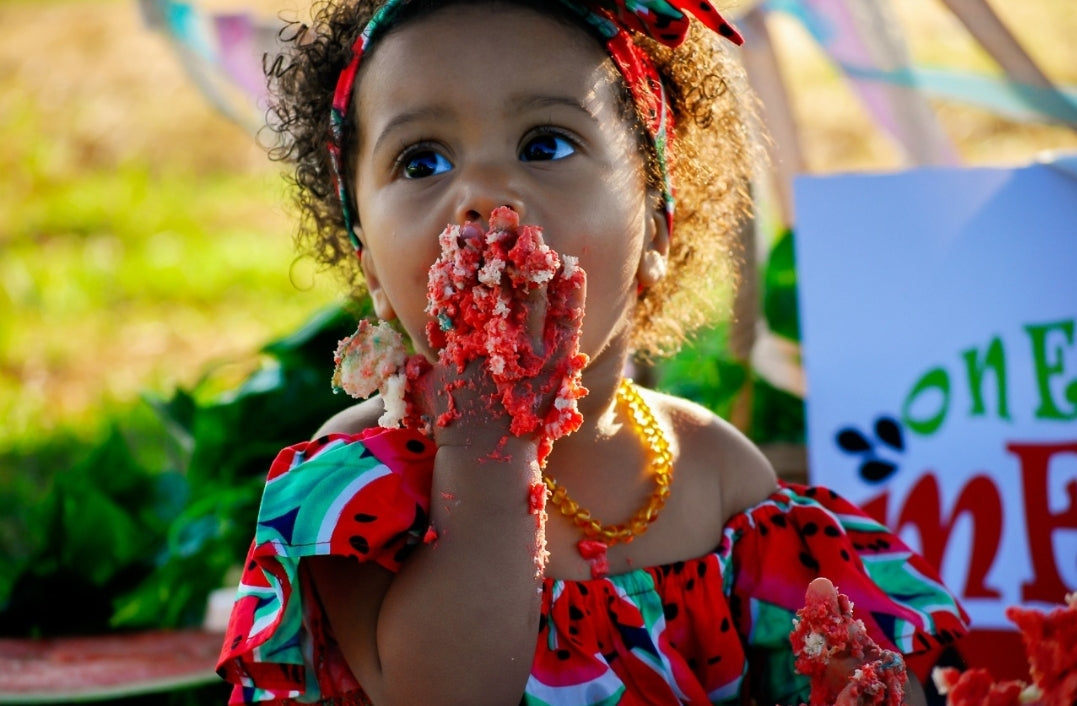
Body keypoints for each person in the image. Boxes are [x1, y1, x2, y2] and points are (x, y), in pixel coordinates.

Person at [216, 1, 969, 704]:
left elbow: (795, 664)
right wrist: (486, 442)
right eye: (422, 162)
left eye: (544, 144)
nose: (482, 190)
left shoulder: (711, 470)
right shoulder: (362, 483)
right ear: (374, 269)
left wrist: (838, 672)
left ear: (655, 233)